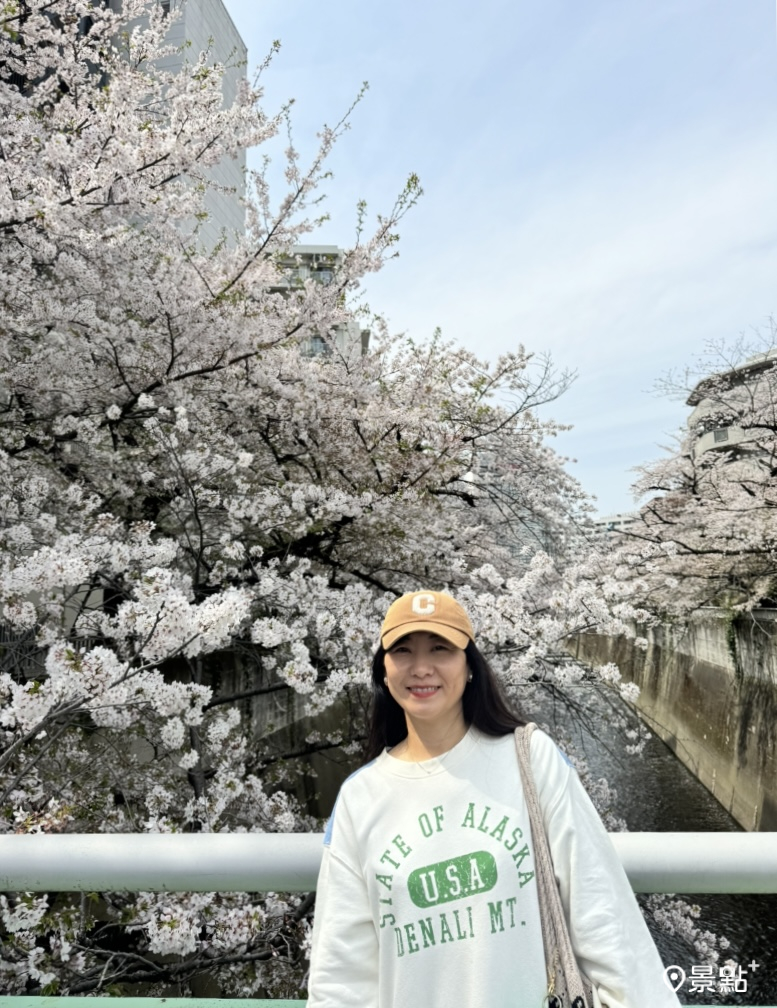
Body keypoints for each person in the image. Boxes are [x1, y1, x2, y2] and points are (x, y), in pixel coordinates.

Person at [306, 590, 681, 1008]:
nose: (421, 667)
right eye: (403, 651)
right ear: (384, 671)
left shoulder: (531, 759)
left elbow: (602, 914)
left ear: (470, 668)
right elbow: (341, 978)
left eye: (441, 648)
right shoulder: (360, 798)